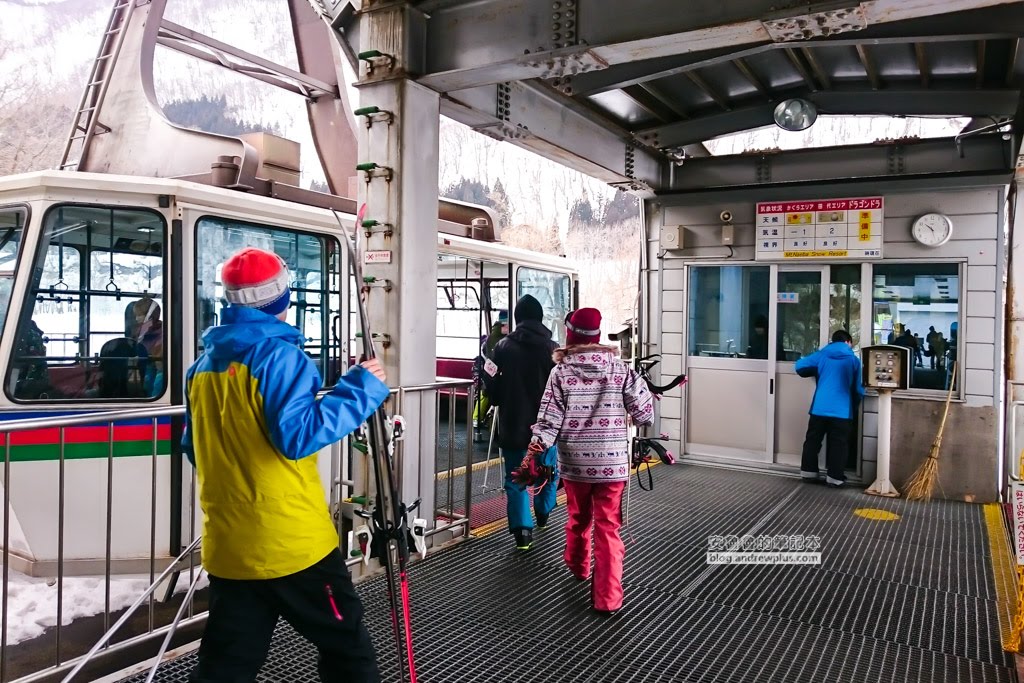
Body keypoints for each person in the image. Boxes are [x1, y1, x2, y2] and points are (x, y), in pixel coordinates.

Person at [182, 247, 389, 683]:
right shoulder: (279, 357)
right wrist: (362, 389)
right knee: (348, 652)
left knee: (226, 667)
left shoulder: (200, 368)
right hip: (292, 544)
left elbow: (193, 448)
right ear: (282, 298)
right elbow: (298, 437)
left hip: (230, 547)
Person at [530, 307, 654, 615]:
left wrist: (535, 451)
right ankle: (608, 598)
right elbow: (644, 413)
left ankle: (578, 565)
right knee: (608, 527)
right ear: (597, 336)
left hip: (575, 463)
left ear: (570, 335)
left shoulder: (560, 373)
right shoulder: (620, 369)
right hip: (612, 463)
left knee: (579, 516)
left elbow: (548, 421)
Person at [486, 295, 559, 551]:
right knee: (548, 472)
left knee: (516, 478)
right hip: (546, 429)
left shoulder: (503, 346)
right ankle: (543, 513)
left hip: (513, 424)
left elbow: (491, 382)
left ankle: (522, 532)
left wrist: (496, 397)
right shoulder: (553, 349)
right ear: (540, 318)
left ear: (518, 318)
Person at [795, 329, 865, 488]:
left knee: (813, 441)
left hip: (819, 408)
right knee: (838, 444)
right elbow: (859, 389)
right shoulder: (854, 361)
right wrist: (856, 403)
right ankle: (834, 478)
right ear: (848, 342)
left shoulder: (821, 355)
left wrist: (817, 370)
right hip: (842, 410)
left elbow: (799, 366)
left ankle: (808, 473)